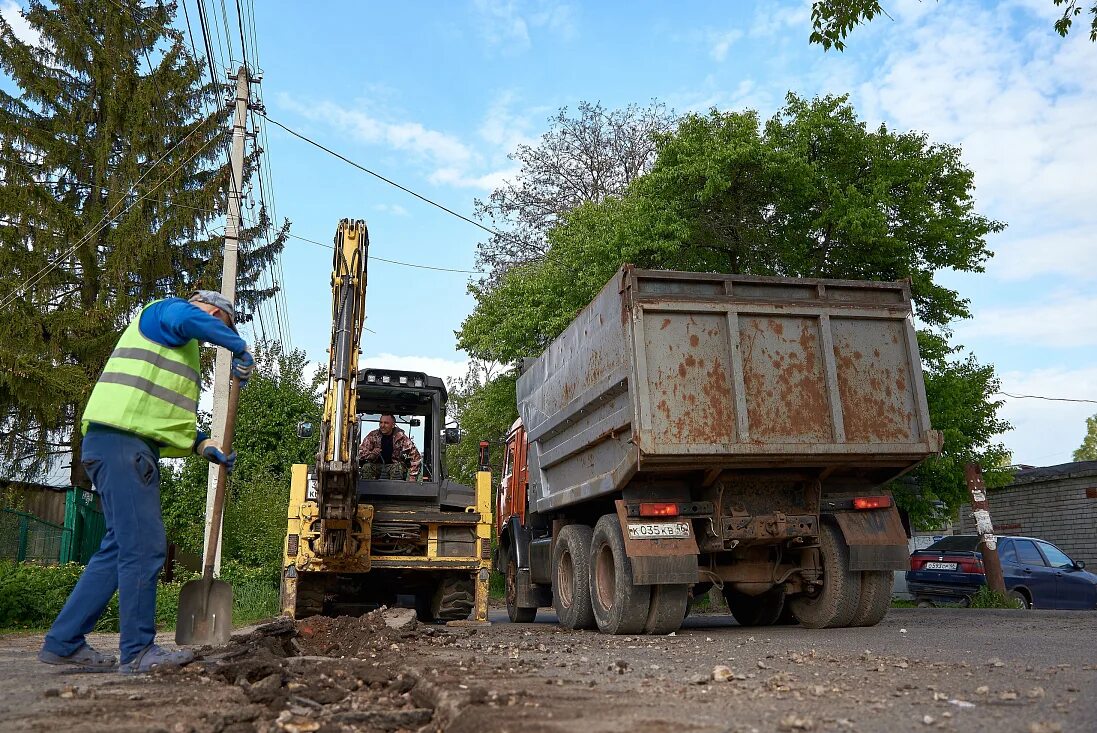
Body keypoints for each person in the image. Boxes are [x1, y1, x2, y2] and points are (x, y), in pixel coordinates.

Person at [37, 290, 255, 674]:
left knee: (118, 548)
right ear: (209, 308)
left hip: (120, 445)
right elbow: (188, 319)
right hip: (122, 445)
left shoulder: (179, 347)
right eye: (221, 322)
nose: (217, 332)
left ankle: (64, 641)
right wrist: (236, 345)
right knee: (145, 547)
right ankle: (138, 651)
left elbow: (162, 416)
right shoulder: (168, 313)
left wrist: (204, 445)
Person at [358, 413, 422, 482]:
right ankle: (367, 491)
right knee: (367, 467)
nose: (382, 425)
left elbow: (416, 457)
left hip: (394, 466)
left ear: (393, 425)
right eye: (381, 422)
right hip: (376, 466)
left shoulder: (401, 437)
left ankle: (395, 491)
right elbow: (360, 453)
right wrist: (372, 454)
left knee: (397, 468)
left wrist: (412, 476)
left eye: (386, 423)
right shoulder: (373, 435)